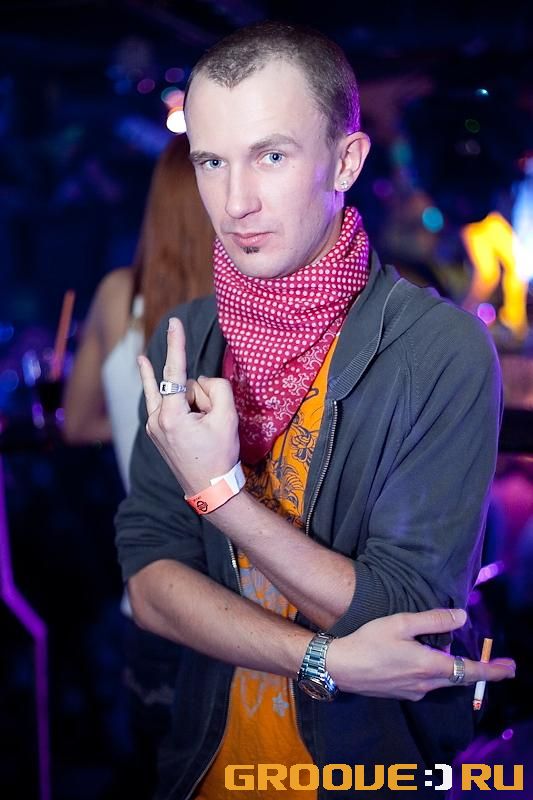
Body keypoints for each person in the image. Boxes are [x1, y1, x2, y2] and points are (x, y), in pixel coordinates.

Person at [115, 22, 515, 799]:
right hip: (206, 770)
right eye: (211, 161)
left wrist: (221, 495)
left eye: (271, 155)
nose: (235, 202)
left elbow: (405, 609)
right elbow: (149, 581)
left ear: (346, 161)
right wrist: (318, 659)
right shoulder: (188, 338)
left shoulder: (438, 349)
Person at [63, 133, 214, 796]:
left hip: (150, 594)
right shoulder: (245, 308)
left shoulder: (115, 295)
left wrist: (140, 427)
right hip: (239, 605)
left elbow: (77, 423)